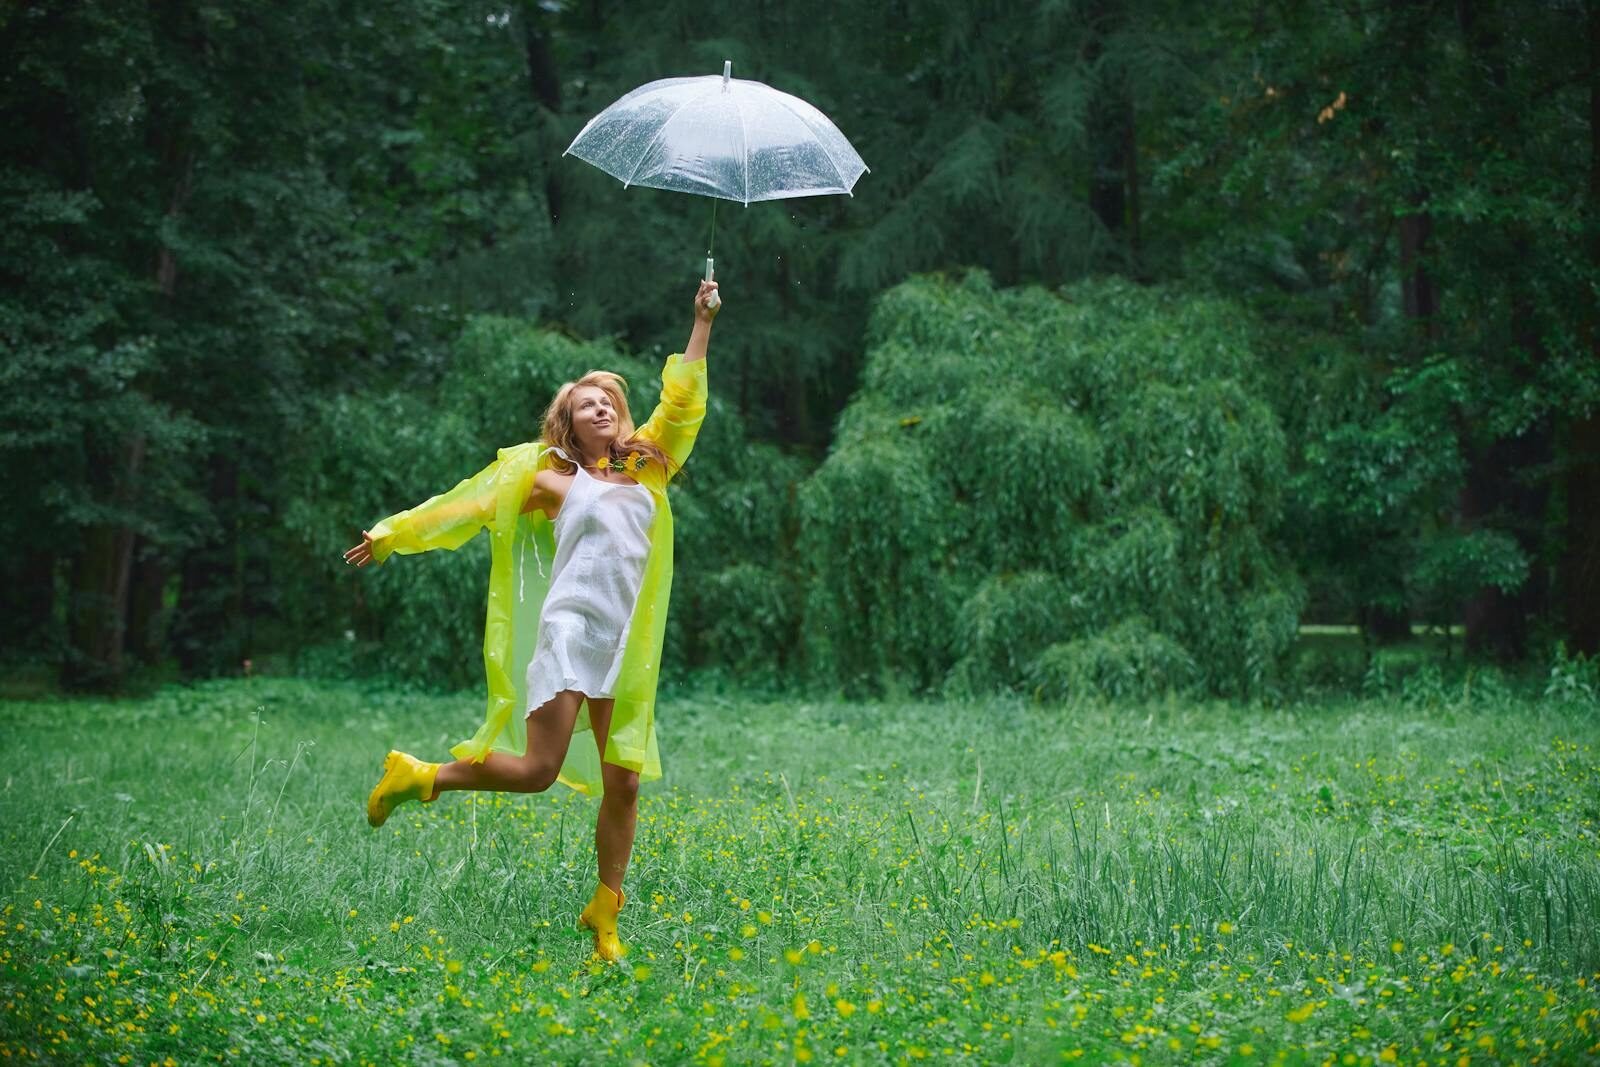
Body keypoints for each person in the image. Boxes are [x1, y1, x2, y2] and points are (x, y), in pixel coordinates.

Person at [343, 279, 720, 961]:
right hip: (572, 629)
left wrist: (701, 321)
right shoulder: (552, 481)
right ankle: (421, 776)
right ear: (569, 426)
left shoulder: (648, 469)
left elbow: (684, 400)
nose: (600, 406)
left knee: (624, 780)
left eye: (608, 399)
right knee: (538, 769)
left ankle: (605, 913)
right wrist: (393, 532)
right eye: (586, 404)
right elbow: (468, 502)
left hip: (626, 644)